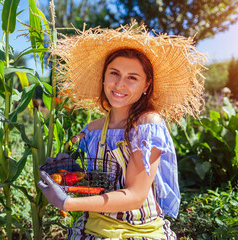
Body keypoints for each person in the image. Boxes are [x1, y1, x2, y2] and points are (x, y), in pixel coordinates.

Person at [38, 21, 207, 239]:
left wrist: (67, 202)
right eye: (114, 73)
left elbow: (136, 196)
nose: (119, 84)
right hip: (93, 227)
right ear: (104, 77)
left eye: (132, 78)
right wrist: (71, 172)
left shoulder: (147, 125)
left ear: (147, 85)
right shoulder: (93, 129)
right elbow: (99, 181)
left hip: (138, 231)